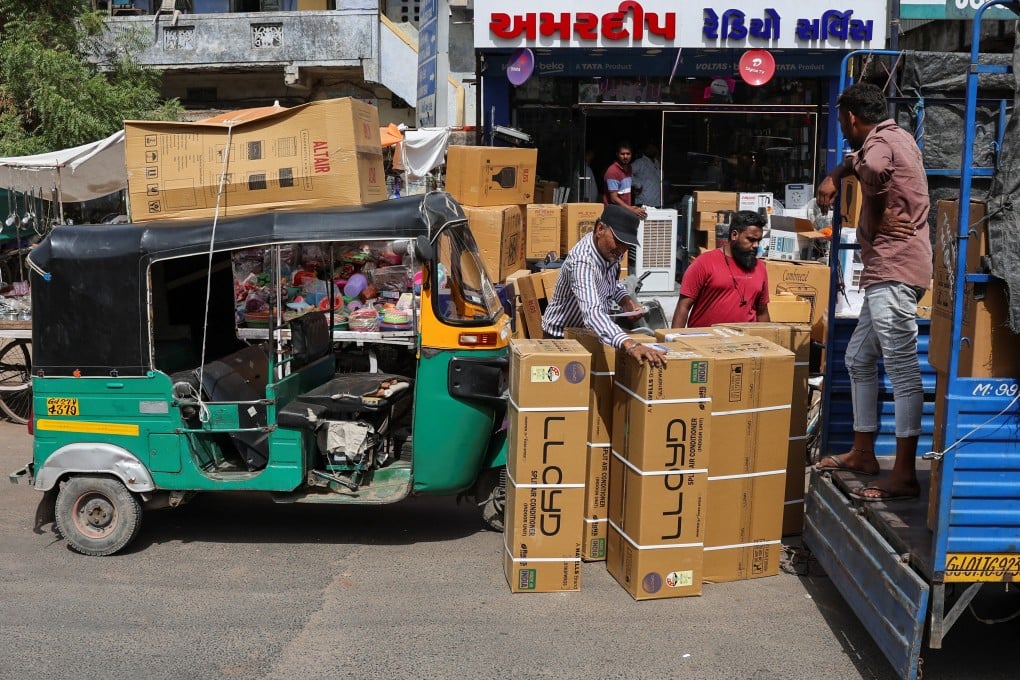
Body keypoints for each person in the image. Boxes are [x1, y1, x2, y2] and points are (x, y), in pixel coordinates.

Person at [813, 82, 932, 502]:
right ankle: (863, 452)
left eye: (844, 123)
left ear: (851, 118)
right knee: (858, 357)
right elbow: (862, 162)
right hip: (890, 271)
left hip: (895, 270)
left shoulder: (880, 142)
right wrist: (836, 173)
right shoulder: (896, 137)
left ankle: (903, 474)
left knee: (901, 368)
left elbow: (875, 171)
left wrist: (877, 215)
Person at [542, 205, 667, 368]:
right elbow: (592, 313)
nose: (621, 250)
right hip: (560, 338)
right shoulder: (582, 262)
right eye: (618, 241)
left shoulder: (610, 252)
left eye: (627, 245)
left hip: (587, 335)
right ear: (600, 229)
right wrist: (631, 344)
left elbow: (612, 285)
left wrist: (626, 301)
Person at [671, 210, 771, 328]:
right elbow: (683, 307)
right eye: (751, 240)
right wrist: (674, 341)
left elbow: (762, 311)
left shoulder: (760, 268)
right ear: (734, 235)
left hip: (745, 342)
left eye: (758, 241)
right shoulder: (704, 263)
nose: (756, 246)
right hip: (706, 341)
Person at [603, 142, 647, 220]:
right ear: (617, 154)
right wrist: (631, 209)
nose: (625, 156)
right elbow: (614, 198)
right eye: (622, 154)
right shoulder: (612, 171)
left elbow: (623, 190)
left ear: (631, 155)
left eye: (628, 154)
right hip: (614, 214)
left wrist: (633, 192)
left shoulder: (629, 168)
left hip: (624, 212)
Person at [630, 142, 663, 208]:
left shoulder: (657, 162)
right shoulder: (640, 162)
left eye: (653, 148)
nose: (651, 150)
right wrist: (637, 184)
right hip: (643, 201)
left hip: (657, 201)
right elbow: (627, 173)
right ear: (644, 150)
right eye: (649, 148)